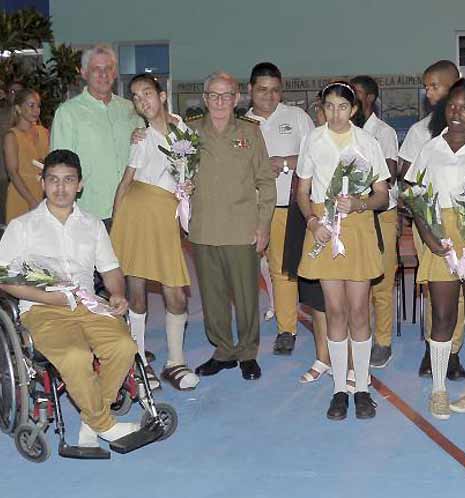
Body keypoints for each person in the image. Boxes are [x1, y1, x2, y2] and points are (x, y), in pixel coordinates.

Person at [0, 149, 139, 446]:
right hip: (41, 309)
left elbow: (111, 269)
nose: (60, 188)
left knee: (124, 346)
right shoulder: (22, 227)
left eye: (68, 180)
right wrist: (52, 300)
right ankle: (104, 423)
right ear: (43, 182)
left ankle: (92, 419)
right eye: (53, 180)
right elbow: (5, 279)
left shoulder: (93, 225)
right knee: (77, 357)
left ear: (80, 184)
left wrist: (116, 293)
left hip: (89, 304)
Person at [405, 78, 465, 419]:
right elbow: (416, 199)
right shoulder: (429, 149)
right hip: (440, 240)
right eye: (451, 105)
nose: (456, 112)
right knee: (443, 316)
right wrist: (429, 237)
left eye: (464, 107)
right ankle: (439, 390)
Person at [296, 81, 390, 420]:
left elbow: (383, 194)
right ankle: (339, 388)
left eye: (342, 107)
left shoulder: (367, 142)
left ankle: (361, 386)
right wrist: (312, 222)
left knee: (359, 311)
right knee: (334, 311)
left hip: (357, 227)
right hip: (323, 228)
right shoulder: (313, 140)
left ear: (354, 110)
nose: (335, 113)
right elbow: (302, 192)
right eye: (329, 106)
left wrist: (360, 203)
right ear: (322, 109)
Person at [110, 74, 198, 392]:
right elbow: (126, 182)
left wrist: (188, 186)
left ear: (162, 95)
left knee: (175, 291)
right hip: (137, 215)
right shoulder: (141, 138)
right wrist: (114, 232)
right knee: (136, 290)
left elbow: (189, 175)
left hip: (166, 218)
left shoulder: (184, 132)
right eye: (135, 96)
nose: (142, 100)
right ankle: (137, 360)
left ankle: (175, 361)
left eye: (147, 93)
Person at [189, 71, 276, 381]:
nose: (220, 101)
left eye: (226, 95)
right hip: (204, 228)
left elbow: (266, 181)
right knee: (211, 297)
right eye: (214, 95)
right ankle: (223, 350)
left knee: (245, 297)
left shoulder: (250, 133)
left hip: (242, 228)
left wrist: (263, 225)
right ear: (205, 98)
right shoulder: (189, 133)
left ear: (237, 98)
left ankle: (248, 352)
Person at [399, 60, 465, 380]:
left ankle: (453, 352)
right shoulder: (419, 131)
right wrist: (425, 222)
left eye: (436, 85)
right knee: (436, 288)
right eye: (426, 86)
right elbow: (407, 182)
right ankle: (433, 347)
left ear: (455, 85)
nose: (429, 92)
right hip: (430, 221)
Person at [246, 62, 315, 356]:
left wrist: (285, 162)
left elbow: (317, 156)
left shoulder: (297, 117)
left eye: (275, 90)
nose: (269, 96)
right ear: (250, 90)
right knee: (244, 272)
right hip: (251, 208)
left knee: (283, 271)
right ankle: (245, 330)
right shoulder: (241, 124)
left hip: (288, 207)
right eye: (262, 90)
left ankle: (287, 329)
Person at [50, 43, 143, 224]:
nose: (103, 74)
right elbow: (60, 167)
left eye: (108, 68)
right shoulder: (68, 113)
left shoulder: (131, 109)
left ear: (115, 73)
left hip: (131, 208)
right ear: (84, 73)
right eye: (96, 69)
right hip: (90, 213)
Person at [350, 75, 399, 368]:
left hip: (381, 214)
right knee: (357, 280)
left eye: (355, 93)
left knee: (381, 280)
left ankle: (383, 342)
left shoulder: (383, 132)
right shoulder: (345, 132)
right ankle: (360, 337)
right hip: (355, 214)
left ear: (369, 98)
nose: (351, 98)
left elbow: (390, 172)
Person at [3, 88, 48, 221]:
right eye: (31, 105)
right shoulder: (12, 136)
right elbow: (13, 173)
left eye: (38, 106)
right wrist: (31, 200)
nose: (36, 110)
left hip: (42, 191)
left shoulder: (44, 132)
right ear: (18, 108)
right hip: (21, 194)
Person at [0, 81, 25, 223]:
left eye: (19, 92)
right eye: (12, 92)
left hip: (24, 170)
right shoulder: (2, 114)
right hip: (4, 171)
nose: (15, 95)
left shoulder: (30, 116)